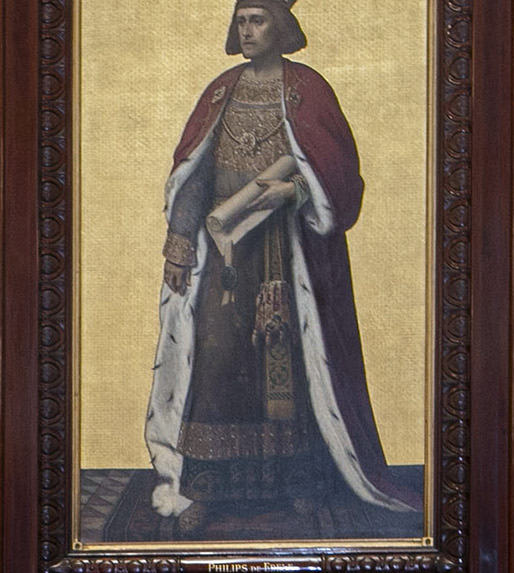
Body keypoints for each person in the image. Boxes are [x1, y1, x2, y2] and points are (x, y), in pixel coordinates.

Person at [143, 1, 415, 535]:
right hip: (225, 261)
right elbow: (194, 170)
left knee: (287, 362)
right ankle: (203, 489)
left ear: (281, 27)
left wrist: (295, 189)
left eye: (258, 20)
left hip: (286, 256)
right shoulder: (222, 90)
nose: (247, 30)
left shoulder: (308, 90)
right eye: (241, 20)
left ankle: (300, 487)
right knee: (216, 364)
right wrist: (179, 241)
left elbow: (340, 174)